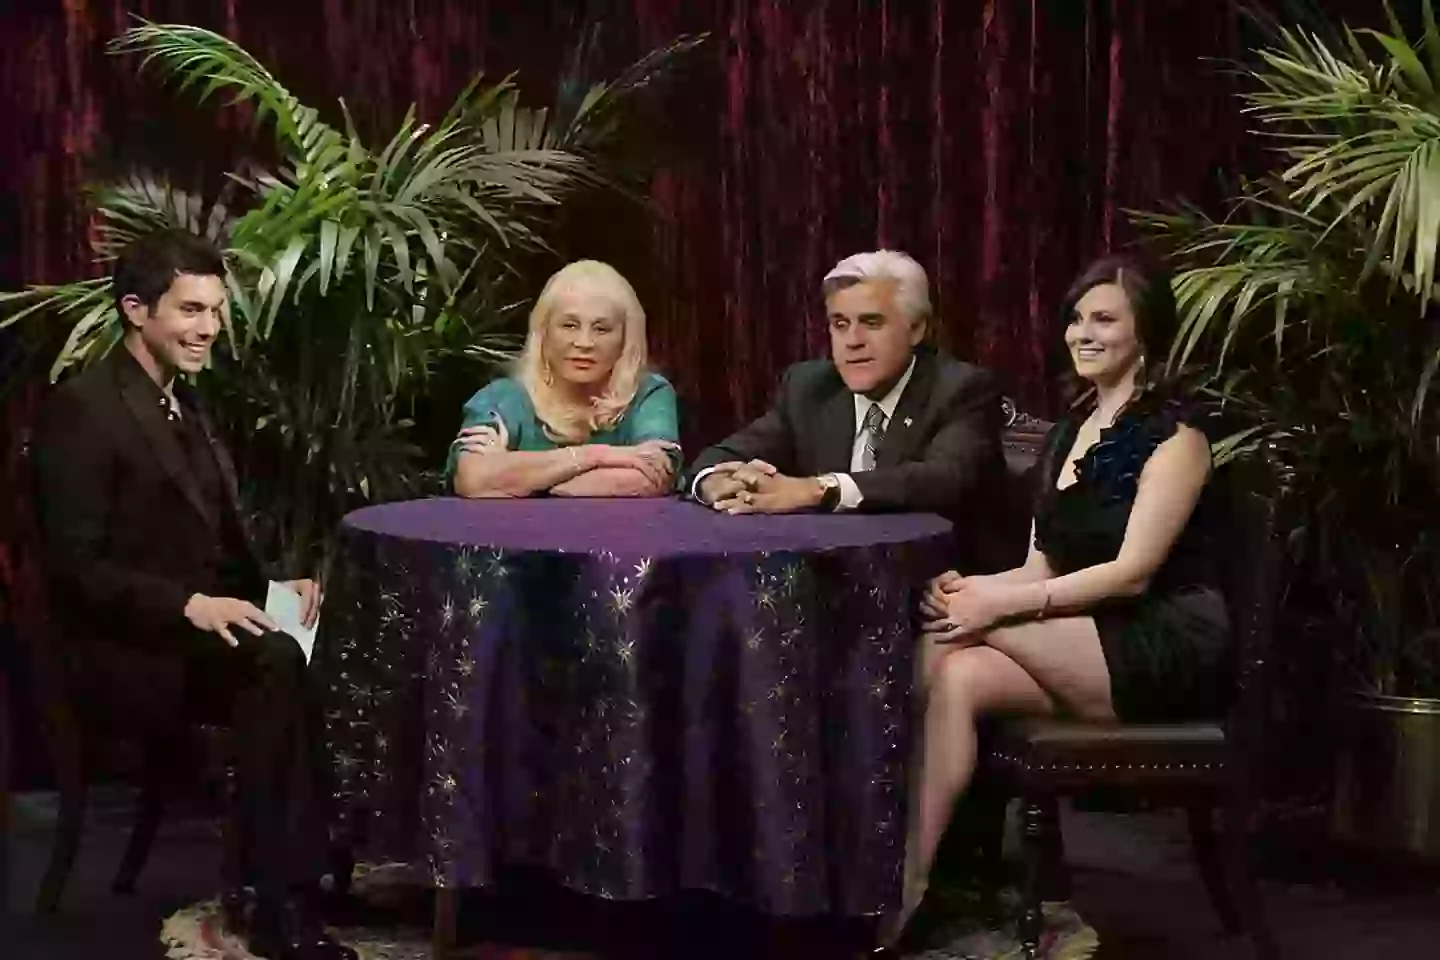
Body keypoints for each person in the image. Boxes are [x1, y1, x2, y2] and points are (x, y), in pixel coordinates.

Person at [31, 229, 354, 960]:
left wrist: (274, 590)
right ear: (135, 310)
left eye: (215, 310)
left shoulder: (187, 403)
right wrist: (189, 607)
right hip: (119, 650)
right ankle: (280, 909)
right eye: (190, 310)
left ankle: (298, 871)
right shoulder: (83, 408)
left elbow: (204, 545)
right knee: (272, 664)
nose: (209, 327)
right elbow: (74, 568)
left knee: (322, 639)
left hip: (190, 636)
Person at [896, 253, 1228, 938]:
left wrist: (994, 609)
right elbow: (1039, 565)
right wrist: (977, 587)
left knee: (956, 630)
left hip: (1158, 641)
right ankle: (921, 879)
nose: (1082, 332)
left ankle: (893, 866)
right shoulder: (1071, 432)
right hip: (1083, 636)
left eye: (1103, 318)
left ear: (1147, 334)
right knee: (956, 671)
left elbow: (1133, 574)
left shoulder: (1178, 439)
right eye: (1076, 318)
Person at [685, 250, 1003, 528]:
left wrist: (816, 489)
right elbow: (721, 455)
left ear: (916, 328)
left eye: (872, 322)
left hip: (938, 581)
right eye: (840, 324)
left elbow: (944, 480)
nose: (853, 341)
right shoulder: (810, 388)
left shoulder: (960, 389)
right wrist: (717, 482)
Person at [447, 260, 680, 498]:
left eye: (601, 329)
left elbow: (648, 478)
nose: (584, 343)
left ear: (626, 338)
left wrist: (519, 479)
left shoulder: (648, 394)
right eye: (569, 325)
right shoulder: (502, 397)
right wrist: (597, 456)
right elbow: (472, 479)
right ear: (544, 331)